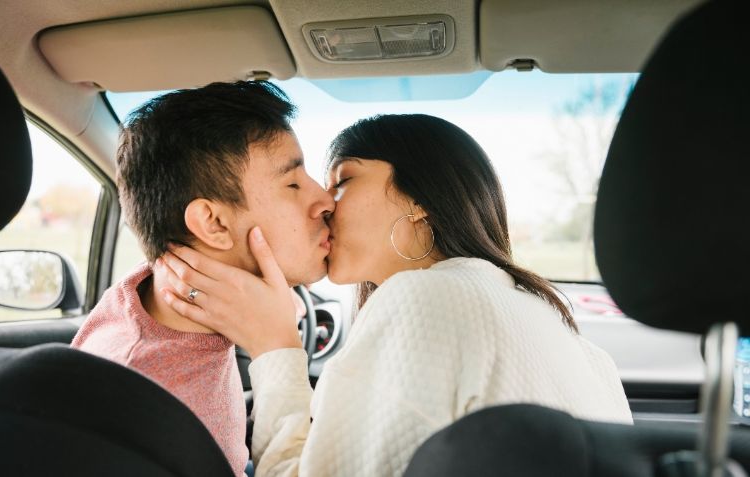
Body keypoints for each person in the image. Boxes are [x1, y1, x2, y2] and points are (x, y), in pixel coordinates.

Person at [159, 114, 633, 477]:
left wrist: (274, 347)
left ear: (419, 197)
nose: (323, 204)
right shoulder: (550, 320)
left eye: (342, 181)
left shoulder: (427, 299)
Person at [71, 81, 334, 477]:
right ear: (212, 223)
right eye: (292, 184)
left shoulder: (149, 292)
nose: (325, 201)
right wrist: (277, 344)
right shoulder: (152, 407)